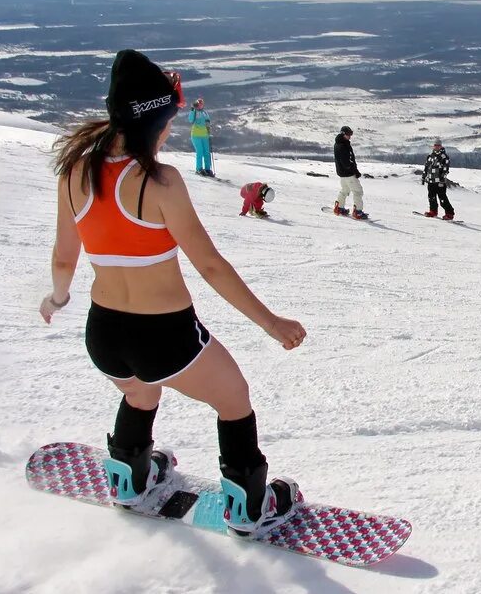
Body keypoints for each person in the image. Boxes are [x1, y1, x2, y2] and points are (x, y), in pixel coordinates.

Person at [41, 49, 306, 537]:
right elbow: (209, 264)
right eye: (166, 123)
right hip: (164, 335)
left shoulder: (73, 172)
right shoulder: (159, 182)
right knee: (234, 400)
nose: (169, 133)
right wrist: (273, 323)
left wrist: (56, 299)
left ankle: (128, 478)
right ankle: (249, 507)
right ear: (149, 123)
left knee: (140, 393)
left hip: (104, 334)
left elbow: (64, 257)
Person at [332, 126, 367, 219]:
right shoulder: (343, 145)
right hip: (348, 174)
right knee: (358, 191)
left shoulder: (339, 144)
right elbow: (347, 162)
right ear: (343, 134)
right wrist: (355, 171)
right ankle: (358, 212)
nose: (350, 136)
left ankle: (339, 208)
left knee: (345, 190)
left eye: (351, 134)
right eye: (348, 134)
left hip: (343, 174)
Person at [421, 139, 454, 220]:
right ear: (433, 146)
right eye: (435, 145)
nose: (437, 147)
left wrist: (442, 179)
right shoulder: (430, 156)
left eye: (438, 145)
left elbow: (445, 169)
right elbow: (426, 167)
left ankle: (449, 213)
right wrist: (424, 176)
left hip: (439, 181)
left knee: (442, 197)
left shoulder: (444, 157)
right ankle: (433, 211)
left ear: (441, 146)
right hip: (431, 180)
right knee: (431, 197)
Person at [187, 98, 213, 177]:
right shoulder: (194, 111)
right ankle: (199, 169)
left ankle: (207, 169)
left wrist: (209, 132)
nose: (200, 105)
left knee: (207, 152)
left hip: (205, 135)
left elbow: (208, 122)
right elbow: (190, 120)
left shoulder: (205, 112)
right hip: (196, 135)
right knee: (200, 151)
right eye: (199, 104)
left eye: (201, 103)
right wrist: (192, 109)